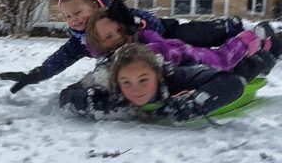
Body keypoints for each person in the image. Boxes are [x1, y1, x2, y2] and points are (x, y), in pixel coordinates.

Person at [0, 0, 245, 94]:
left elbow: (151, 24)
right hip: (146, 60)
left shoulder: (116, 16)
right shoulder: (81, 42)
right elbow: (59, 60)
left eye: (78, 12)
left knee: (196, 35)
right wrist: (36, 75)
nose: (74, 20)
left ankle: (228, 27)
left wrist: (135, 25)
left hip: (165, 33)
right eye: (68, 17)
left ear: (95, 5)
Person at [85, 6, 272, 72]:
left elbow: (166, 48)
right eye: (108, 36)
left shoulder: (145, 40)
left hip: (183, 55)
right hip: (178, 65)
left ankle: (250, 39)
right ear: (100, 44)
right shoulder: (108, 61)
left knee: (222, 59)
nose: (118, 37)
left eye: (119, 30)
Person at [94, 43, 244, 122]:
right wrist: (92, 100)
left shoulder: (174, 77)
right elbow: (73, 94)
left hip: (197, 65)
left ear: (157, 74)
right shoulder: (113, 88)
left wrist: (192, 104)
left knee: (248, 69)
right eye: (126, 82)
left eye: (143, 80)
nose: (136, 90)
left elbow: (232, 81)